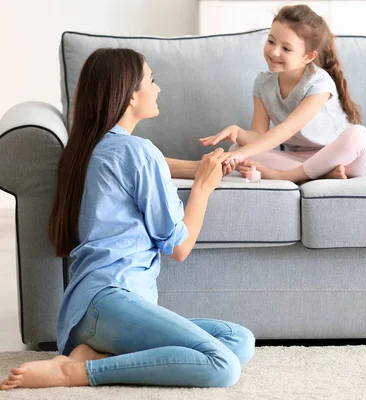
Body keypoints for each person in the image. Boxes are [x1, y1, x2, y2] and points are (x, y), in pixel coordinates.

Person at [0, 48, 254, 390]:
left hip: (89, 310)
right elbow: (178, 246)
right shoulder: (137, 152)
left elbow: (149, 163)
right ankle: (76, 373)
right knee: (221, 364)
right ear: (131, 94)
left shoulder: (90, 147)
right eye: (152, 79)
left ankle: (91, 355)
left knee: (238, 339)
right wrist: (203, 187)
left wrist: (203, 166)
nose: (158, 87)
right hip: (112, 299)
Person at [200, 4, 366, 183]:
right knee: (236, 148)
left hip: (342, 158)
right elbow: (259, 137)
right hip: (299, 159)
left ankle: (286, 176)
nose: (274, 52)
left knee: (359, 135)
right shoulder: (263, 83)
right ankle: (320, 174)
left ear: (308, 57)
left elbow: (288, 129)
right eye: (271, 41)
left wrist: (244, 154)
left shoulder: (319, 82)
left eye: (286, 48)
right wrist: (238, 132)